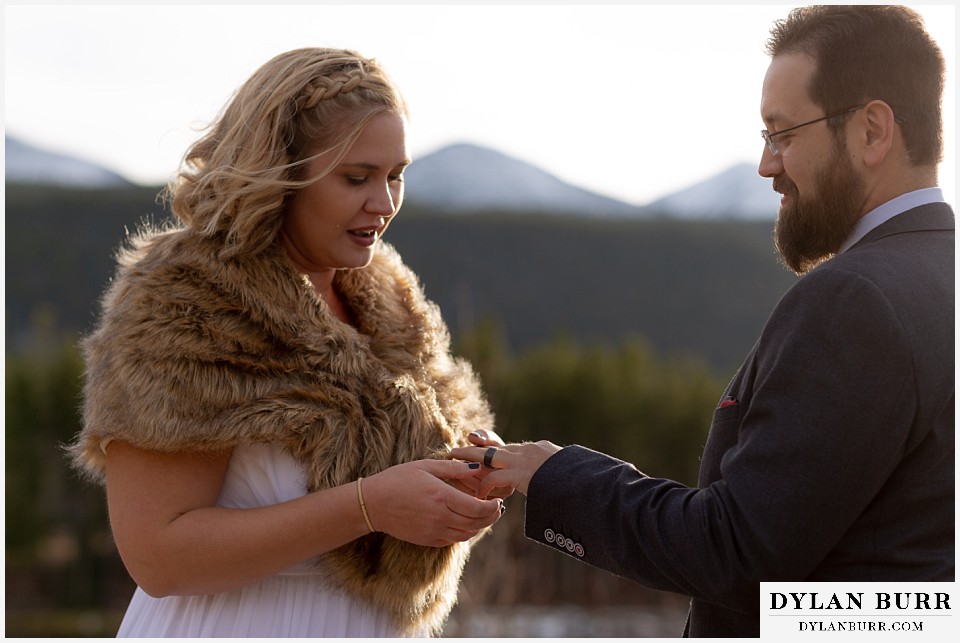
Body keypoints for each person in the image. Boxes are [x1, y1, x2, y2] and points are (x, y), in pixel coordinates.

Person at [453, 5, 954, 637]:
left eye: (783, 134)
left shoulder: (854, 300)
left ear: (872, 131)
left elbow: (735, 551)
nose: (767, 165)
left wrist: (553, 475)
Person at [68, 47, 506, 638]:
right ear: (282, 173)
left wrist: (461, 479)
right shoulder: (189, 304)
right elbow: (157, 557)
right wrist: (369, 506)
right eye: (356, 177)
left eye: (395, 175)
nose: (384, 204)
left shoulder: (394, 305)